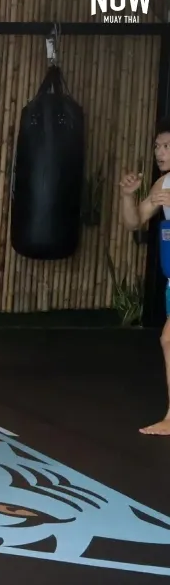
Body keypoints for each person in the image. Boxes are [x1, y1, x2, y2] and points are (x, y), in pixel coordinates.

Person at [119, 117, 170, 436]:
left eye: (167, 146)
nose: (159, 152)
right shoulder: (163, 185)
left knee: (169, 339)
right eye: (157, 146)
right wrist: (127, 195)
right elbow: (134, 221)